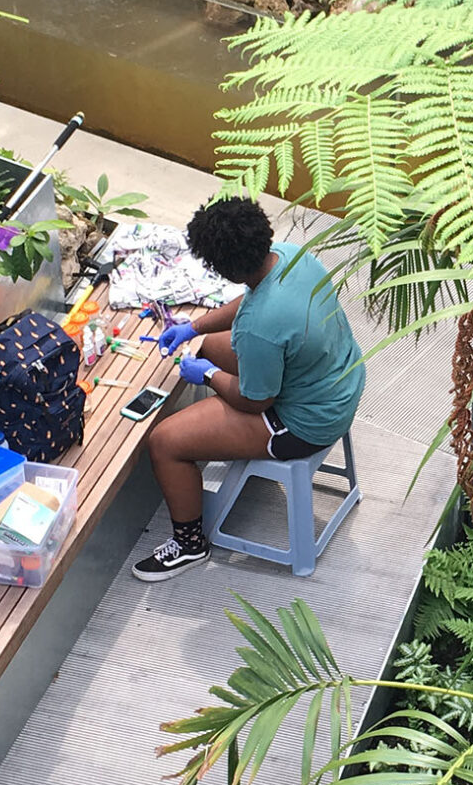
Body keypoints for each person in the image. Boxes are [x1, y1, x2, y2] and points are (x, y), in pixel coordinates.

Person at [131, 196, 365, 580]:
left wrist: (206, 375)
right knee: (211, 344)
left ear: (223, 268)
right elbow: (250, 301)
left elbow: (256, 400)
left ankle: (189, 546)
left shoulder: (262, 327)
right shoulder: (292, 256)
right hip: (338, 380)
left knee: (164, 442)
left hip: (303, 424)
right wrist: (195, 328)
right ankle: (217, 437)